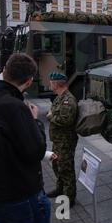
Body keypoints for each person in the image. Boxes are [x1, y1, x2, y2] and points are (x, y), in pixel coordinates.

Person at [0, 53, 51, 223]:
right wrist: (35, 121)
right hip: (21, 194)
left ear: (5, 71)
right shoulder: (16, 108)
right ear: (29, 81)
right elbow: (36, 151)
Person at [46, 71, 79, 207]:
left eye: (51, 82)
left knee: (66, 168)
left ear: (56, 84)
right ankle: (60, 189)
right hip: (58, 140)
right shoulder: (59, 97)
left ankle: (69, 198)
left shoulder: (68, 100)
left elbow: (66, 120)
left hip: (65, 141)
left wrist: (51, 116)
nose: (49, 84)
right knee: (57, 164)